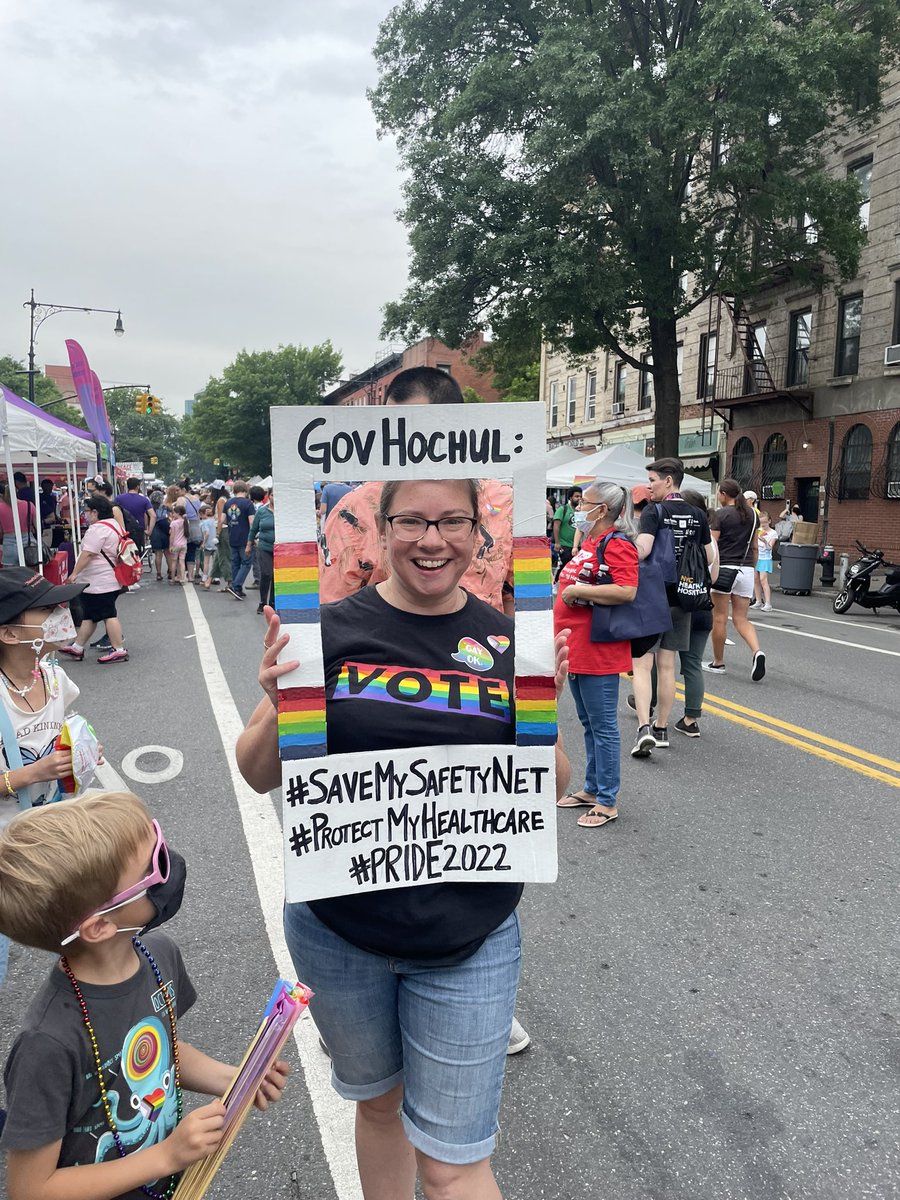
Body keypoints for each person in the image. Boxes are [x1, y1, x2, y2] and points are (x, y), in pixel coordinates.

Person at [236, 477, 568, 1200]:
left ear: (478, 533)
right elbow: (257, 771)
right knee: (379, 1105)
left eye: (451, 521)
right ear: (379, 531)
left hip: (467, 938)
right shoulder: (323, 629)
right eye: (411, 521)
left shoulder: (508, 640)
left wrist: (545, 709)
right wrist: (276, 701)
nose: (431, 539)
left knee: (452, 1164)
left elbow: (551, 786)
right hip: (339, 932)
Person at [0, 791, 288, 1199]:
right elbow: (31, 1190)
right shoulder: (46, 1043)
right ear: (98, 927)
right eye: (153, 867)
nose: (169, 867)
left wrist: (235, 1079)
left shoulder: (159, 955)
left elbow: (162, 1050)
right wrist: (167, 1156)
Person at [320, 368, 514, 616]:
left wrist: (516, 650)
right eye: (392, 429)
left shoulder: (505, 505)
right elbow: (332, 609)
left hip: (483, 650)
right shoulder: (356, 509)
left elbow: (516, 599)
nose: (403, 441)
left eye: (418, 430)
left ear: (456, 425)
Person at [0, 567, 88, 986]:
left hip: (46, 827)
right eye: (47, 608)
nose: (62, 613)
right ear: (9, 634)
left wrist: (82, 750)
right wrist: (30, 773)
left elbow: (66, 726)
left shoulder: (52, 673)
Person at [554, 482, 637, 829]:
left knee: (603, 727)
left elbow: (627, 590)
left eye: (585, 503)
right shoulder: (592, 542)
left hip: (598, 650)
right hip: (579, 647)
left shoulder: (616, 544)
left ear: (602, 510)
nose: (578, 508)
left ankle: (607, 800)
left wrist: (576, 590)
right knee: (589, 724)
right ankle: (591, 788)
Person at [632, 458, 717, 757]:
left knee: (643, 664)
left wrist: (626, 547)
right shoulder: (697, 514)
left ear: (669, 481)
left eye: (653, 479)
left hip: (653, 596)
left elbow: (643, 549)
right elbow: (707, 557)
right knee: (668, 666)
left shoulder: (653, 512)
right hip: (684, 596)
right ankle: (663, 727)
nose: (649, 485)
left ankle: (644, 727)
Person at [705, 479, 765, 681]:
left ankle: (718, 662)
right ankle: (757, 652)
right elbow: (755, 546)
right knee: (741, 619)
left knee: (720, 618)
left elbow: (712, 544)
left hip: (724, 569)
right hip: (746, 569)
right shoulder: (752, 515)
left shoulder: (720, 515)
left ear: (723, 494)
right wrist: (752, 566)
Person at [57, 495, 129, 664]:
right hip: (108, 577)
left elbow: (88, 553)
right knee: (90, 615)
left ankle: (118, 649)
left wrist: (74, 574)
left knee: (108, 614)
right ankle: (77, 647)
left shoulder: (97, 529)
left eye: (87, 511)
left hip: (99, 580)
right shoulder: (113, 525)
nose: (86, 515)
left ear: (95, 512)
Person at [223, 481, 255, 601]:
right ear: (246, 490)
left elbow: (223, 520)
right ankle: (236, 586)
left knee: (235, 563)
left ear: (234, 490)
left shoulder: (228, 503)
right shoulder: (248, 503)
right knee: (246, 563)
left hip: (232, 536)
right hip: (245, 537)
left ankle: (238, 588)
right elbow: (252, 522)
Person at [247, 488, 275, 615]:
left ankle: (273, 602)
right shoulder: (262, 511)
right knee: (266, 573)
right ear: (269, 496)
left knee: (277, 577)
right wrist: (249, 544)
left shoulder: (285, 512)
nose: (275, 498)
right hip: (264, 547)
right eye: (273, 495)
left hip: (280, 549)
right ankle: (263, 602)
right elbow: (253, 529)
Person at [115, 477, 155, 555]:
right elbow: (153, 515)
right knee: (138, 556)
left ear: (127, 486)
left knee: (124, 554)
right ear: (137, 486)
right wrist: (149, 531)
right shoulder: (144, 500)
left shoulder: (118, 499)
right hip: (138, 531)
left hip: (123, 530)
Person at [0, 486, 37, 568]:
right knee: (28, 575)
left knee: (10, 576)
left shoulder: (0, 507)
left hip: (8, 544)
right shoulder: (29, 505)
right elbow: (37, 526)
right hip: (27, 543)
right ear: (17, 492)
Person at [552, 487, 582, 581]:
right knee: (564, 566)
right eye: (576, 496)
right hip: (564, 545)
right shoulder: (563, 509)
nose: (579, 499)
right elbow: (556, 526)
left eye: (580, 496)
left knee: (574, 568)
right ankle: (556, 583)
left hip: (577, 546)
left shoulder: (581, 511)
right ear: (570, 497)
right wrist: (557, 543)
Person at [754, 510, 778, 612]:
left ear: (769, 521)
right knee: (755, 580)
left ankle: (768, 603)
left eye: (765, 522)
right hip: (756, 557)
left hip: (765, 558)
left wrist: (764, 541)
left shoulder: (773, 533)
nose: (763, 524)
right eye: (761, 522)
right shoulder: (758, 530)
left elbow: (770, 547)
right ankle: (758, 601)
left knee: (763, 580)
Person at [150, 489, 172, 581]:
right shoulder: (166, 507)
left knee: (158, 554)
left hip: (154, 529)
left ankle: (158, 574)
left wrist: (148, 531)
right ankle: (171, 571)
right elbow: (171, 517)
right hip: (165, 528)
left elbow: (147, 520)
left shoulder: (150, 508)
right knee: (168, 552)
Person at [168, 504, 189, 585]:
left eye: (174, 513)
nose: (173, 514)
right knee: (182, 562)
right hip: (184, 544)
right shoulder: (186, 521)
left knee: (174, 561)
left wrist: (170, 545)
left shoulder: (174, 523)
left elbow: (172, 535)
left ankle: (173, 578)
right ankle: (182, 578)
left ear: (178, 513)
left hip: (175, 544)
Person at [199, 504, 218, 587]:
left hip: (208, 544)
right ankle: (216, 577)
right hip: (216, 543)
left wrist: (203, 543)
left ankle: (204, 577)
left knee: (206, 562)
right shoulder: (215, 521)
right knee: (215, 561)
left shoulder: (204, 523)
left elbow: (206, 533)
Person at [38, 480, 58, 549]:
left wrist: (58, 518)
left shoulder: (52, 498)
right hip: (44, 527)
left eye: (49, 487)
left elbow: (54, 512)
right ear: (42, 487)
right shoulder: (39, 498)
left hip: (50, 526)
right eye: (46, 487)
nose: (48, 489)